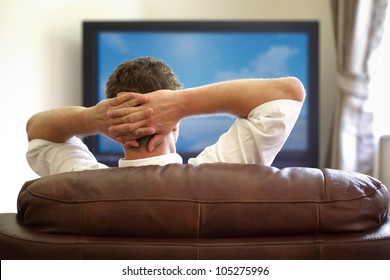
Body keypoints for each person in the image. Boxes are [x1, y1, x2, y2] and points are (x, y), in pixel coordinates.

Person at [26, 57, 305, 176]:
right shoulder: (219, 172)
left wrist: (93, 119)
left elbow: (37, 131)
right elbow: (289, 92)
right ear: (175, 126)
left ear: (115, 130)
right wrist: (183, 104)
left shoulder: (82, 183)